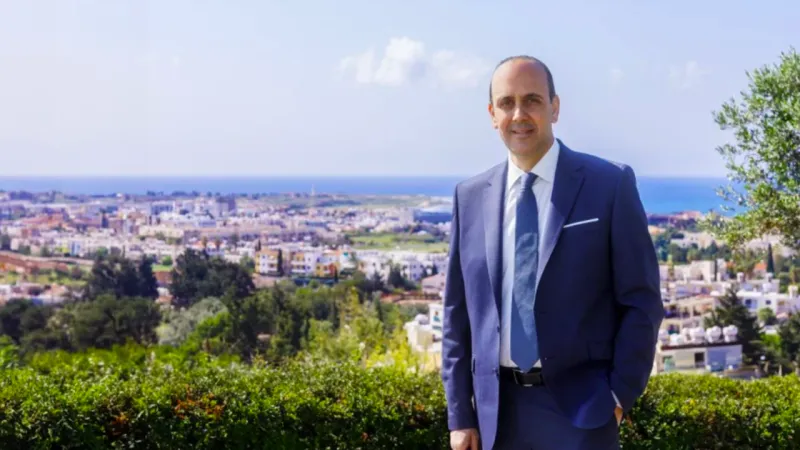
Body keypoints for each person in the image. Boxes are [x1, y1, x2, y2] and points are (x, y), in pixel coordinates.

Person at [440, 55, 665, 450]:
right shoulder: (469, 197)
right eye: (506, 103)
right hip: (495, 419)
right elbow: (457, 316)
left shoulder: (609, 184)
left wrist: (617, 396)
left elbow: (641, 301)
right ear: (492, 115)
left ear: (555, 107)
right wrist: (460, 416)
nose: (519, 114)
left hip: (582, 414)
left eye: (532, 100)